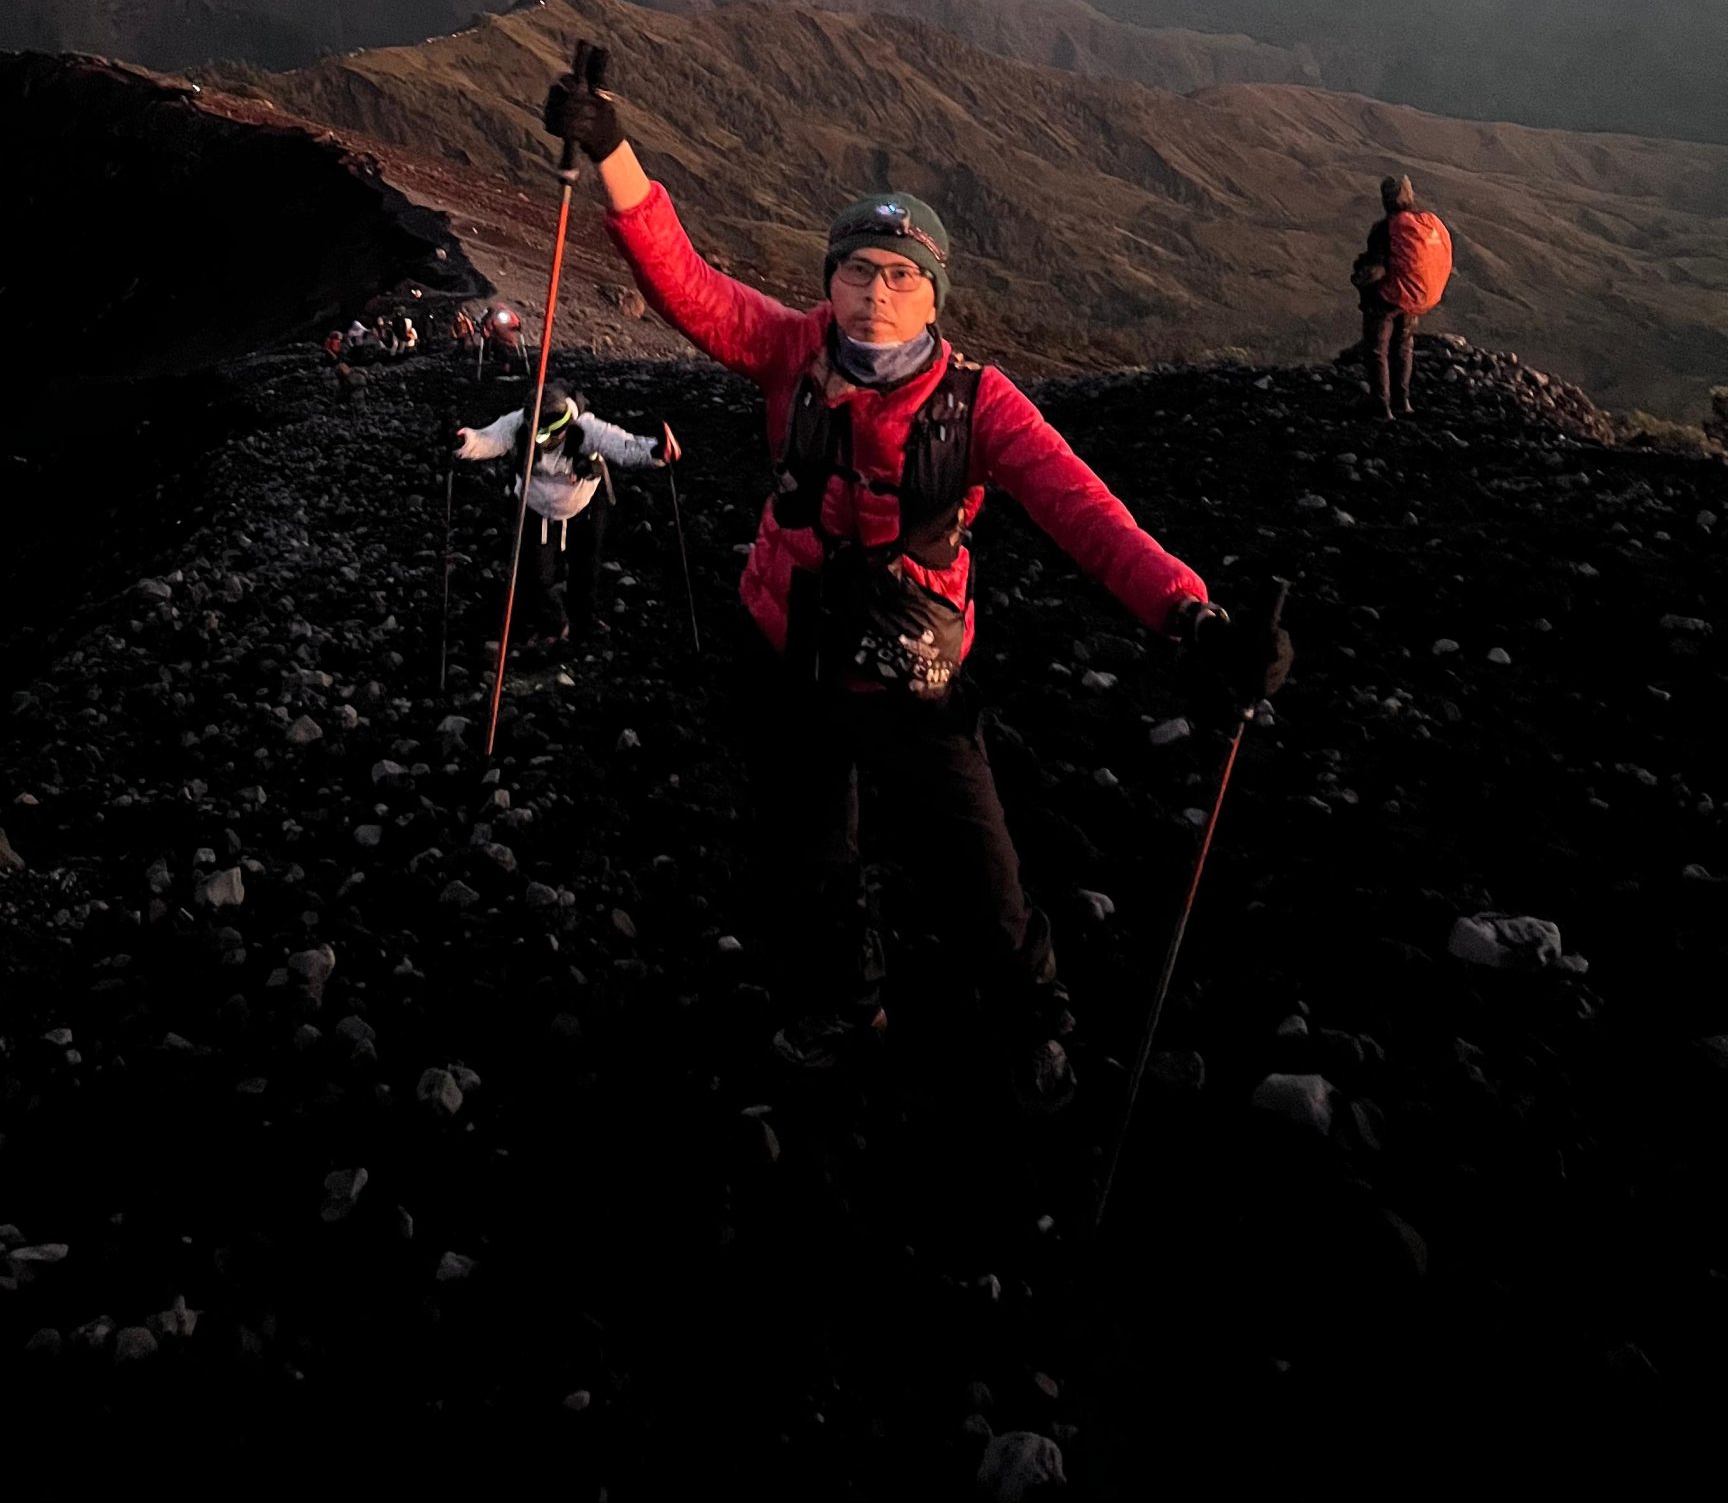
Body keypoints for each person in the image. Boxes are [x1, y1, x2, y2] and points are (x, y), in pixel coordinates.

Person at [542, 56, 1292, 1115]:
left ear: (936, 293)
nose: (876, 292)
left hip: (910, 675)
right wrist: (611, 149)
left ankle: (1033, 1015)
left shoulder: (981, 405)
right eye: (858, 270)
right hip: (789, 651)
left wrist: (1191, 614)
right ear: (829, 279)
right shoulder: (791, 349)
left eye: (901, 274)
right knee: (812, 855)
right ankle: (852, 1004)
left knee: (980, 867)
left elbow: (1087, 514)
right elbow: (686, 281)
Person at [454, 382, 682, 650]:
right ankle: (552, 623)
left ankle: (583, 620)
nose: (545, 442)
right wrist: (461, 442)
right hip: (536, 505)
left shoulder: (586, 427)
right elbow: (488, 439)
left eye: (551, 436)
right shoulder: (517, 424)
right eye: (539, 435)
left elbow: (623, 445)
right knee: (537, 574)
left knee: (586, 567)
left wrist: (657, 451)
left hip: (583, 504)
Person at [1350, 173, 1453, 420]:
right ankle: (1402, 401)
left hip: (1386, 299)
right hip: (1413, 298)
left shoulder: (1386, 228)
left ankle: (1380, 403)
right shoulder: (1425, 225)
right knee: (1403, 346)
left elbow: (1377, 268)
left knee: (1377, 349)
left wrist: (1359, 277)